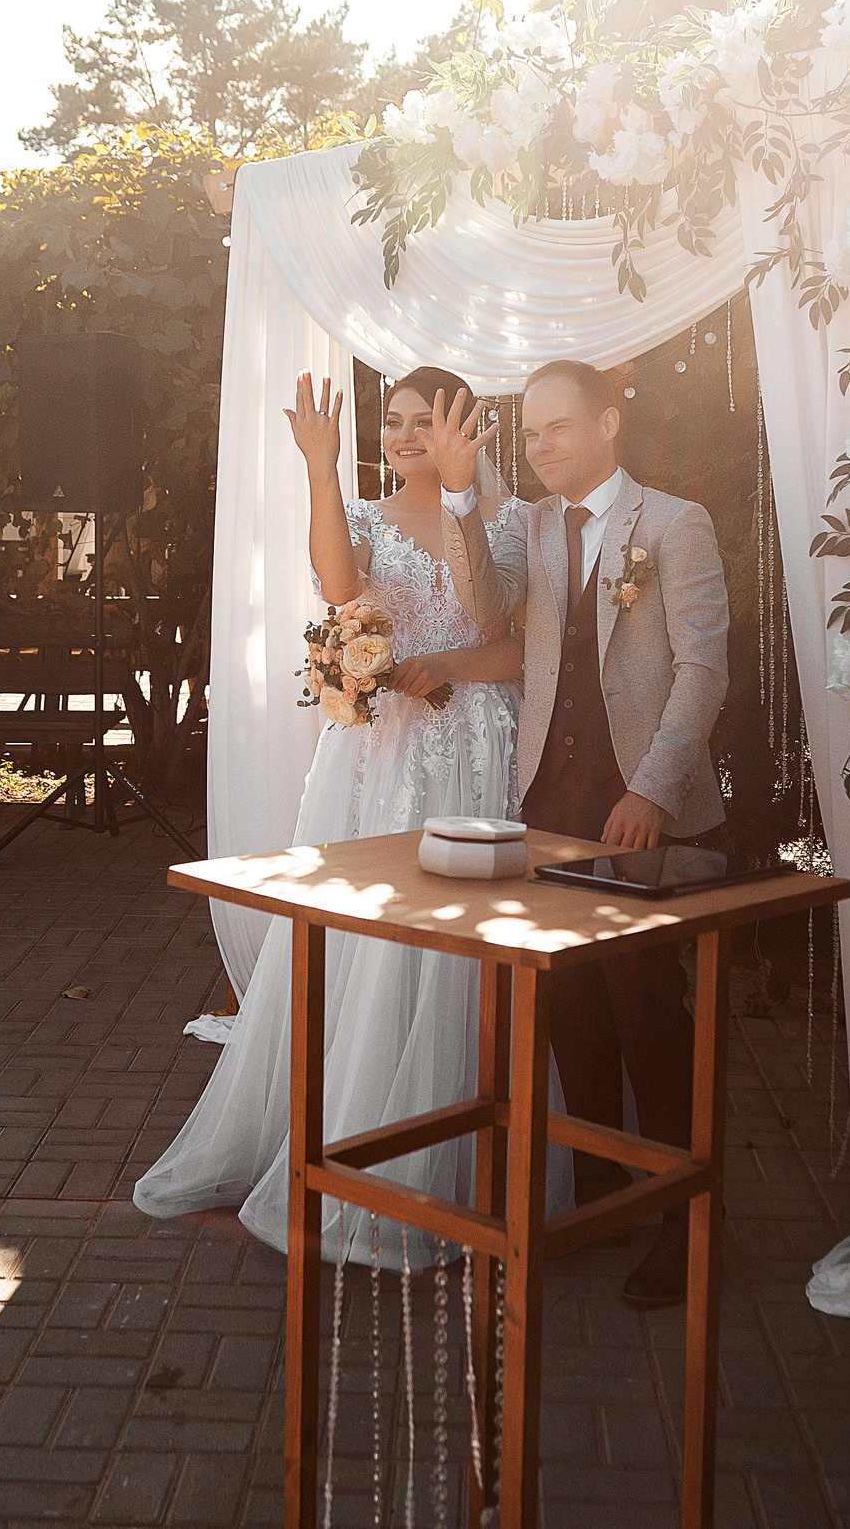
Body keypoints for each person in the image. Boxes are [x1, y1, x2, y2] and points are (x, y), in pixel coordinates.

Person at [132, 366, 563, 1262]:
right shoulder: (364, 511)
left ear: (470, 428)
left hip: (477, 741)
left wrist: (459, 500)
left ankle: (450, 1153)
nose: (407, 434)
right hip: (382, 751)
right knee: (369, 931)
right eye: (397, 421)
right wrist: (323, 470)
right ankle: (353, 1138)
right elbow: (339, 590)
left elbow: (499, 623)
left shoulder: (514, 518)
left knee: (464, 931)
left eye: (428, 421)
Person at [444, 358, 729, 1309]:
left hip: (637, 809)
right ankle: (601, 1193)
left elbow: (702, 673)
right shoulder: (530, 523)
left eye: (557, 427)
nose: (539, 446)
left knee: (648, 1006)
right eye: (529, 434)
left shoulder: (676, 523)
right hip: (551, 804)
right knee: (571, 1007)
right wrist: (460, 500)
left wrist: (652, 786)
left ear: (609, 421)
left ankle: (685, 1220)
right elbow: (489, 612)